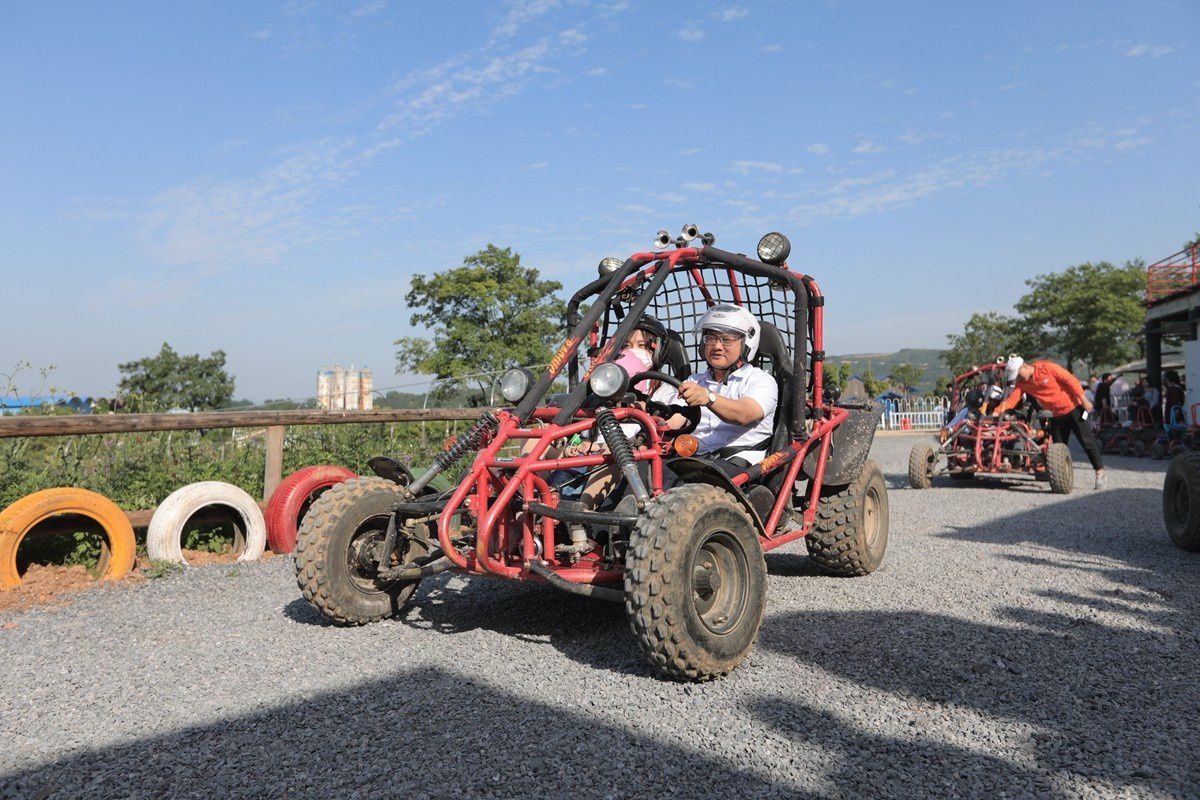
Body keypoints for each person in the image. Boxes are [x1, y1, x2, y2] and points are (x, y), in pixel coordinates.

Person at [993, 355, 1107, 490]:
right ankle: (1062, 478)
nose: (1017, 377)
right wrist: (996, 411)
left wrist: (1084, 400)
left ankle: (1100, 473)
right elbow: (1013, 399)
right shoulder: (1022, 383)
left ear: (1024, 366)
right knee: (1058, 448)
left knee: (1087, 441)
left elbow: (1070, 381)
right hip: (1055, 416)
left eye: (1018, 374)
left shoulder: (1047, 367)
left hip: (1075, 409)